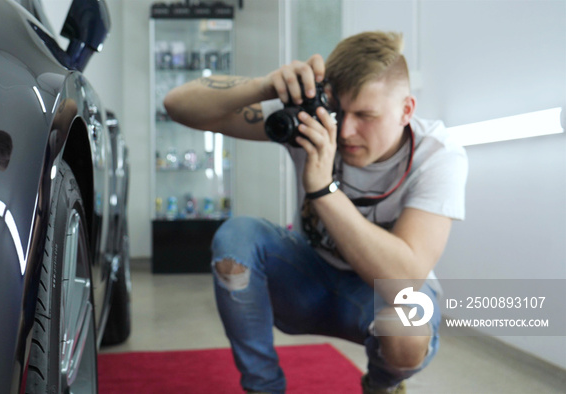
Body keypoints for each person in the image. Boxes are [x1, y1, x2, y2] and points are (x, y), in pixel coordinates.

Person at [163, 31, 467, 394]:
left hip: (373, 299)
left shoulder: (437, 155)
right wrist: (265, 86)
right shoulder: (314, 123)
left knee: (408, 323)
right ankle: (263, 388)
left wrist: (323, 190)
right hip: (306, 281)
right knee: (236, 238)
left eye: (366, 115)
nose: (346, 130)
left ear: (406, 110)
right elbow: (178, 105)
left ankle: (381, 384)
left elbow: (405, 280)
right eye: (339, 112)